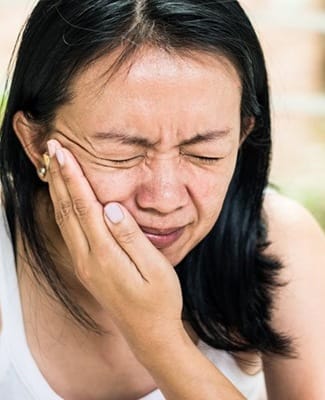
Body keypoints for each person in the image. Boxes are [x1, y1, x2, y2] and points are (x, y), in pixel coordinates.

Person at [0, 1, 324, 399]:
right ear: (35, 143)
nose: (165, 199)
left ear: (241, 137)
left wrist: (157, 338)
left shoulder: (281, 242)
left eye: (204, 153)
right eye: (122, 153)